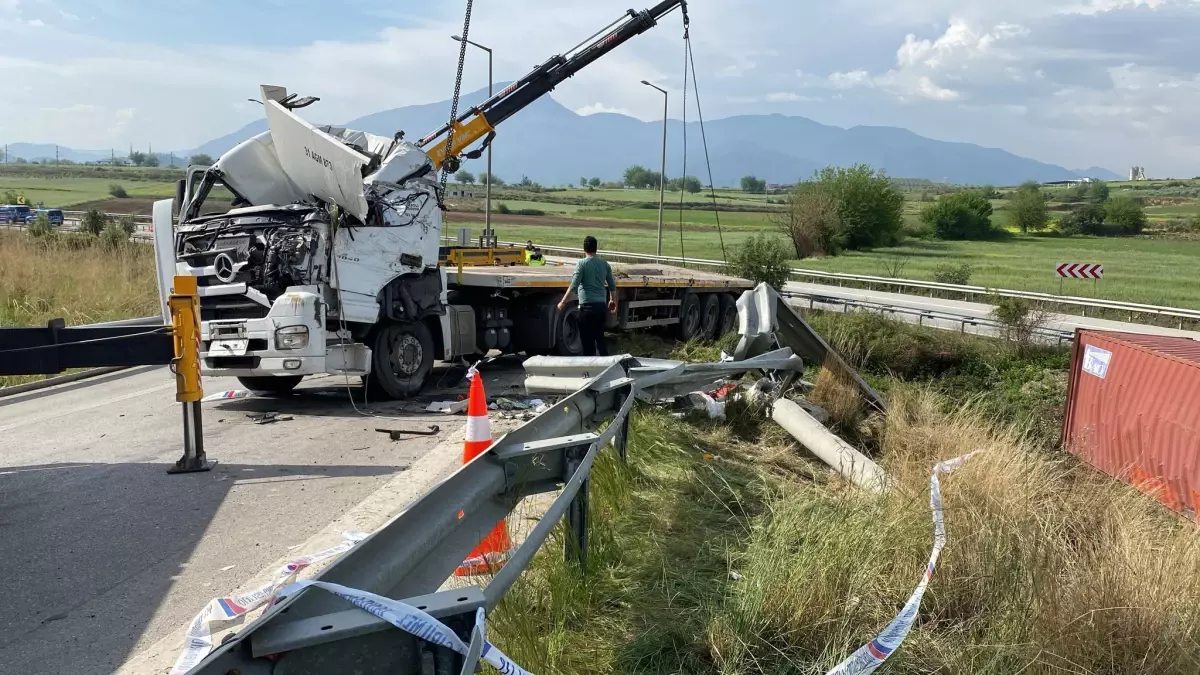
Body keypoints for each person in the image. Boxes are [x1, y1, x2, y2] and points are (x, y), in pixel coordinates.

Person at [557, 236, 616, 357]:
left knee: (587, 341)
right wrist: (612, 300)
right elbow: (612, 286)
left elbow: (574, 285)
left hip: (586, 308)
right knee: (600, 338)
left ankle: (591, 368)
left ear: (584, 249)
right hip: (600, 307)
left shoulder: (582, 264)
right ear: (596, 249)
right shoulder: (605, 264)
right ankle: (606, 365)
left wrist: (562, 302)